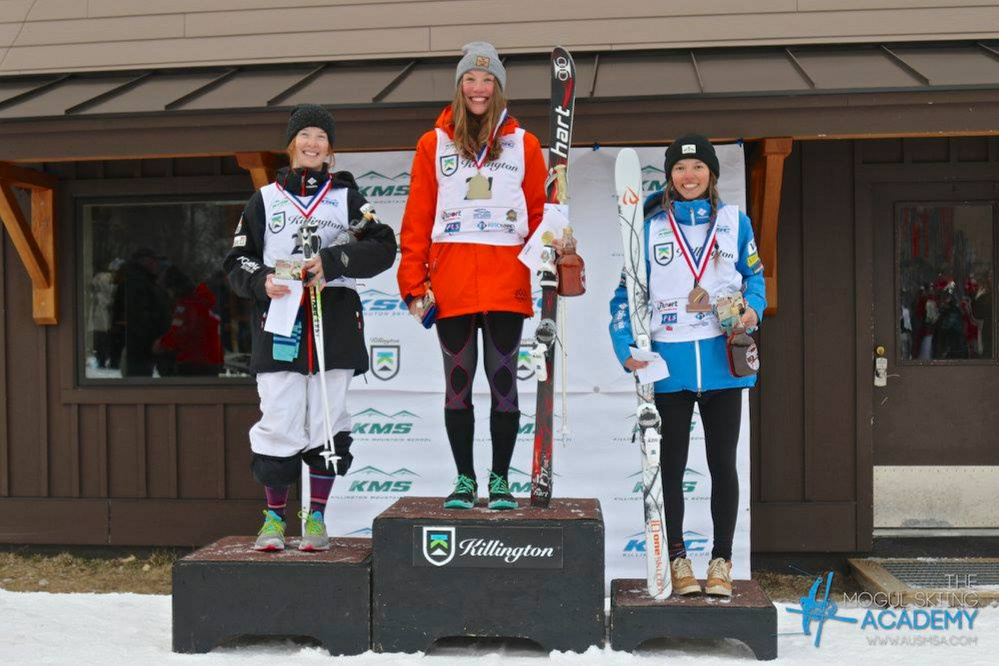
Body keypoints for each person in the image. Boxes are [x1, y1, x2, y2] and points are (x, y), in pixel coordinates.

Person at [223, 104, 397, 551]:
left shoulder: (346, 198)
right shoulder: (265, 199)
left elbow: (383, 246)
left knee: (327, 418)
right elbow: (237, 260)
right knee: (279, 417)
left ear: (330, 150)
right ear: (292, 144)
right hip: (281, 321)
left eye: (321, 137)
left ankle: (316, 519)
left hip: (333, 320)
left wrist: (336, 260)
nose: (312, 144)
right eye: (305, 135)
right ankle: (273, 521)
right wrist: (261, 280)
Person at [608, 134, 766, 598]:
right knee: (670, 468)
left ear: (711, 173)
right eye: (680, 168)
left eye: (698, 167)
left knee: (723, 465)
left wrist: (752, 309)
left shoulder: (735, 222)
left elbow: (755, 277)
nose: (689, 176)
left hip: (723, 363)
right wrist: (625, 347)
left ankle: (721, 561)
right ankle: (676, 559)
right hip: (668, 366)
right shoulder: (648, 227)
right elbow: (625, 296)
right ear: (669, 176)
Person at [397, 42, 549, 510]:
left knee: (504, 383)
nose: (478, 88)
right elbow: (417, 217)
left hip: (506, 282)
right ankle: (465, 479)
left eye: (487, 80)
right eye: (470, 79)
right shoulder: (433, 144)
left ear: (498, 88)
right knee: (458, 383)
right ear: (459, 86)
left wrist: (551, 255)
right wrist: (413, 283)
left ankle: (500, 480)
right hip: (452, 284)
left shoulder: (524, 144)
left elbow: (541, 214)